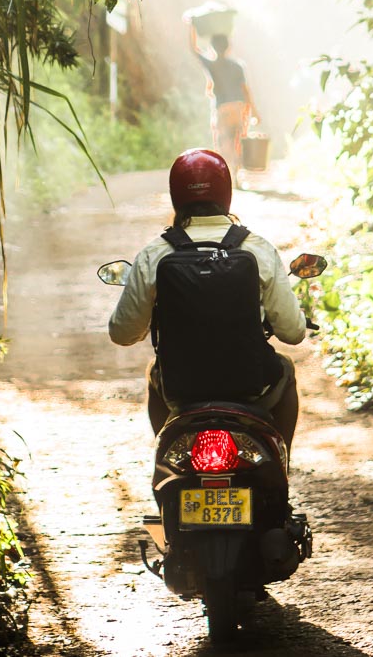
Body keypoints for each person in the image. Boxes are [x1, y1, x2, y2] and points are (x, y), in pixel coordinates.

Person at [107, 148, 305, 449]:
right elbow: (293, 332)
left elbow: (122, 333)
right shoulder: (258, 248)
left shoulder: (155, 253)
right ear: (226, 193)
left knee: (154, 373)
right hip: (250, 385)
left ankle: (171, 453)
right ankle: (281, 467)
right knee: (286, 370)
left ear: (176, 195)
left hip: (181, 388)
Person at [189, 25, 254, 174]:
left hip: (222, 107)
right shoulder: (238, 66)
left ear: (212, 47)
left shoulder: (212, 64)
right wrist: (253, 111)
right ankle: (237, 171)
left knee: (223, 140)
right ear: (228, 47)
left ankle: (227, 172)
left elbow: (194, 48)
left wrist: (192, 25)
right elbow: (245, 90)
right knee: (237, 138)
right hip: (238, 106)